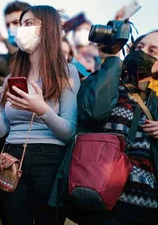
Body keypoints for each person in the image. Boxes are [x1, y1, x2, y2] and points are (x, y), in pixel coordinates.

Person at [0, 5, 80, 225]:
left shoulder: (66, 72)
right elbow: (1, 129)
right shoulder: (15, 74)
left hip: (49, 161)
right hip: (11, 159)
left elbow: (69, 132)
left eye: (28, 24)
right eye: (20, 24)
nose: (21, 30)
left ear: (48, 28)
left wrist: (41, 109)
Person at [73, 30, 158, 225]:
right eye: (139, 47)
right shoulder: (108, 81)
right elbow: (94, 112)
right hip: (100, 200)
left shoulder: (156, 98)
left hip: (147, 207)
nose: (142, 52)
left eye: (153, 51)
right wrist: (111, 60)